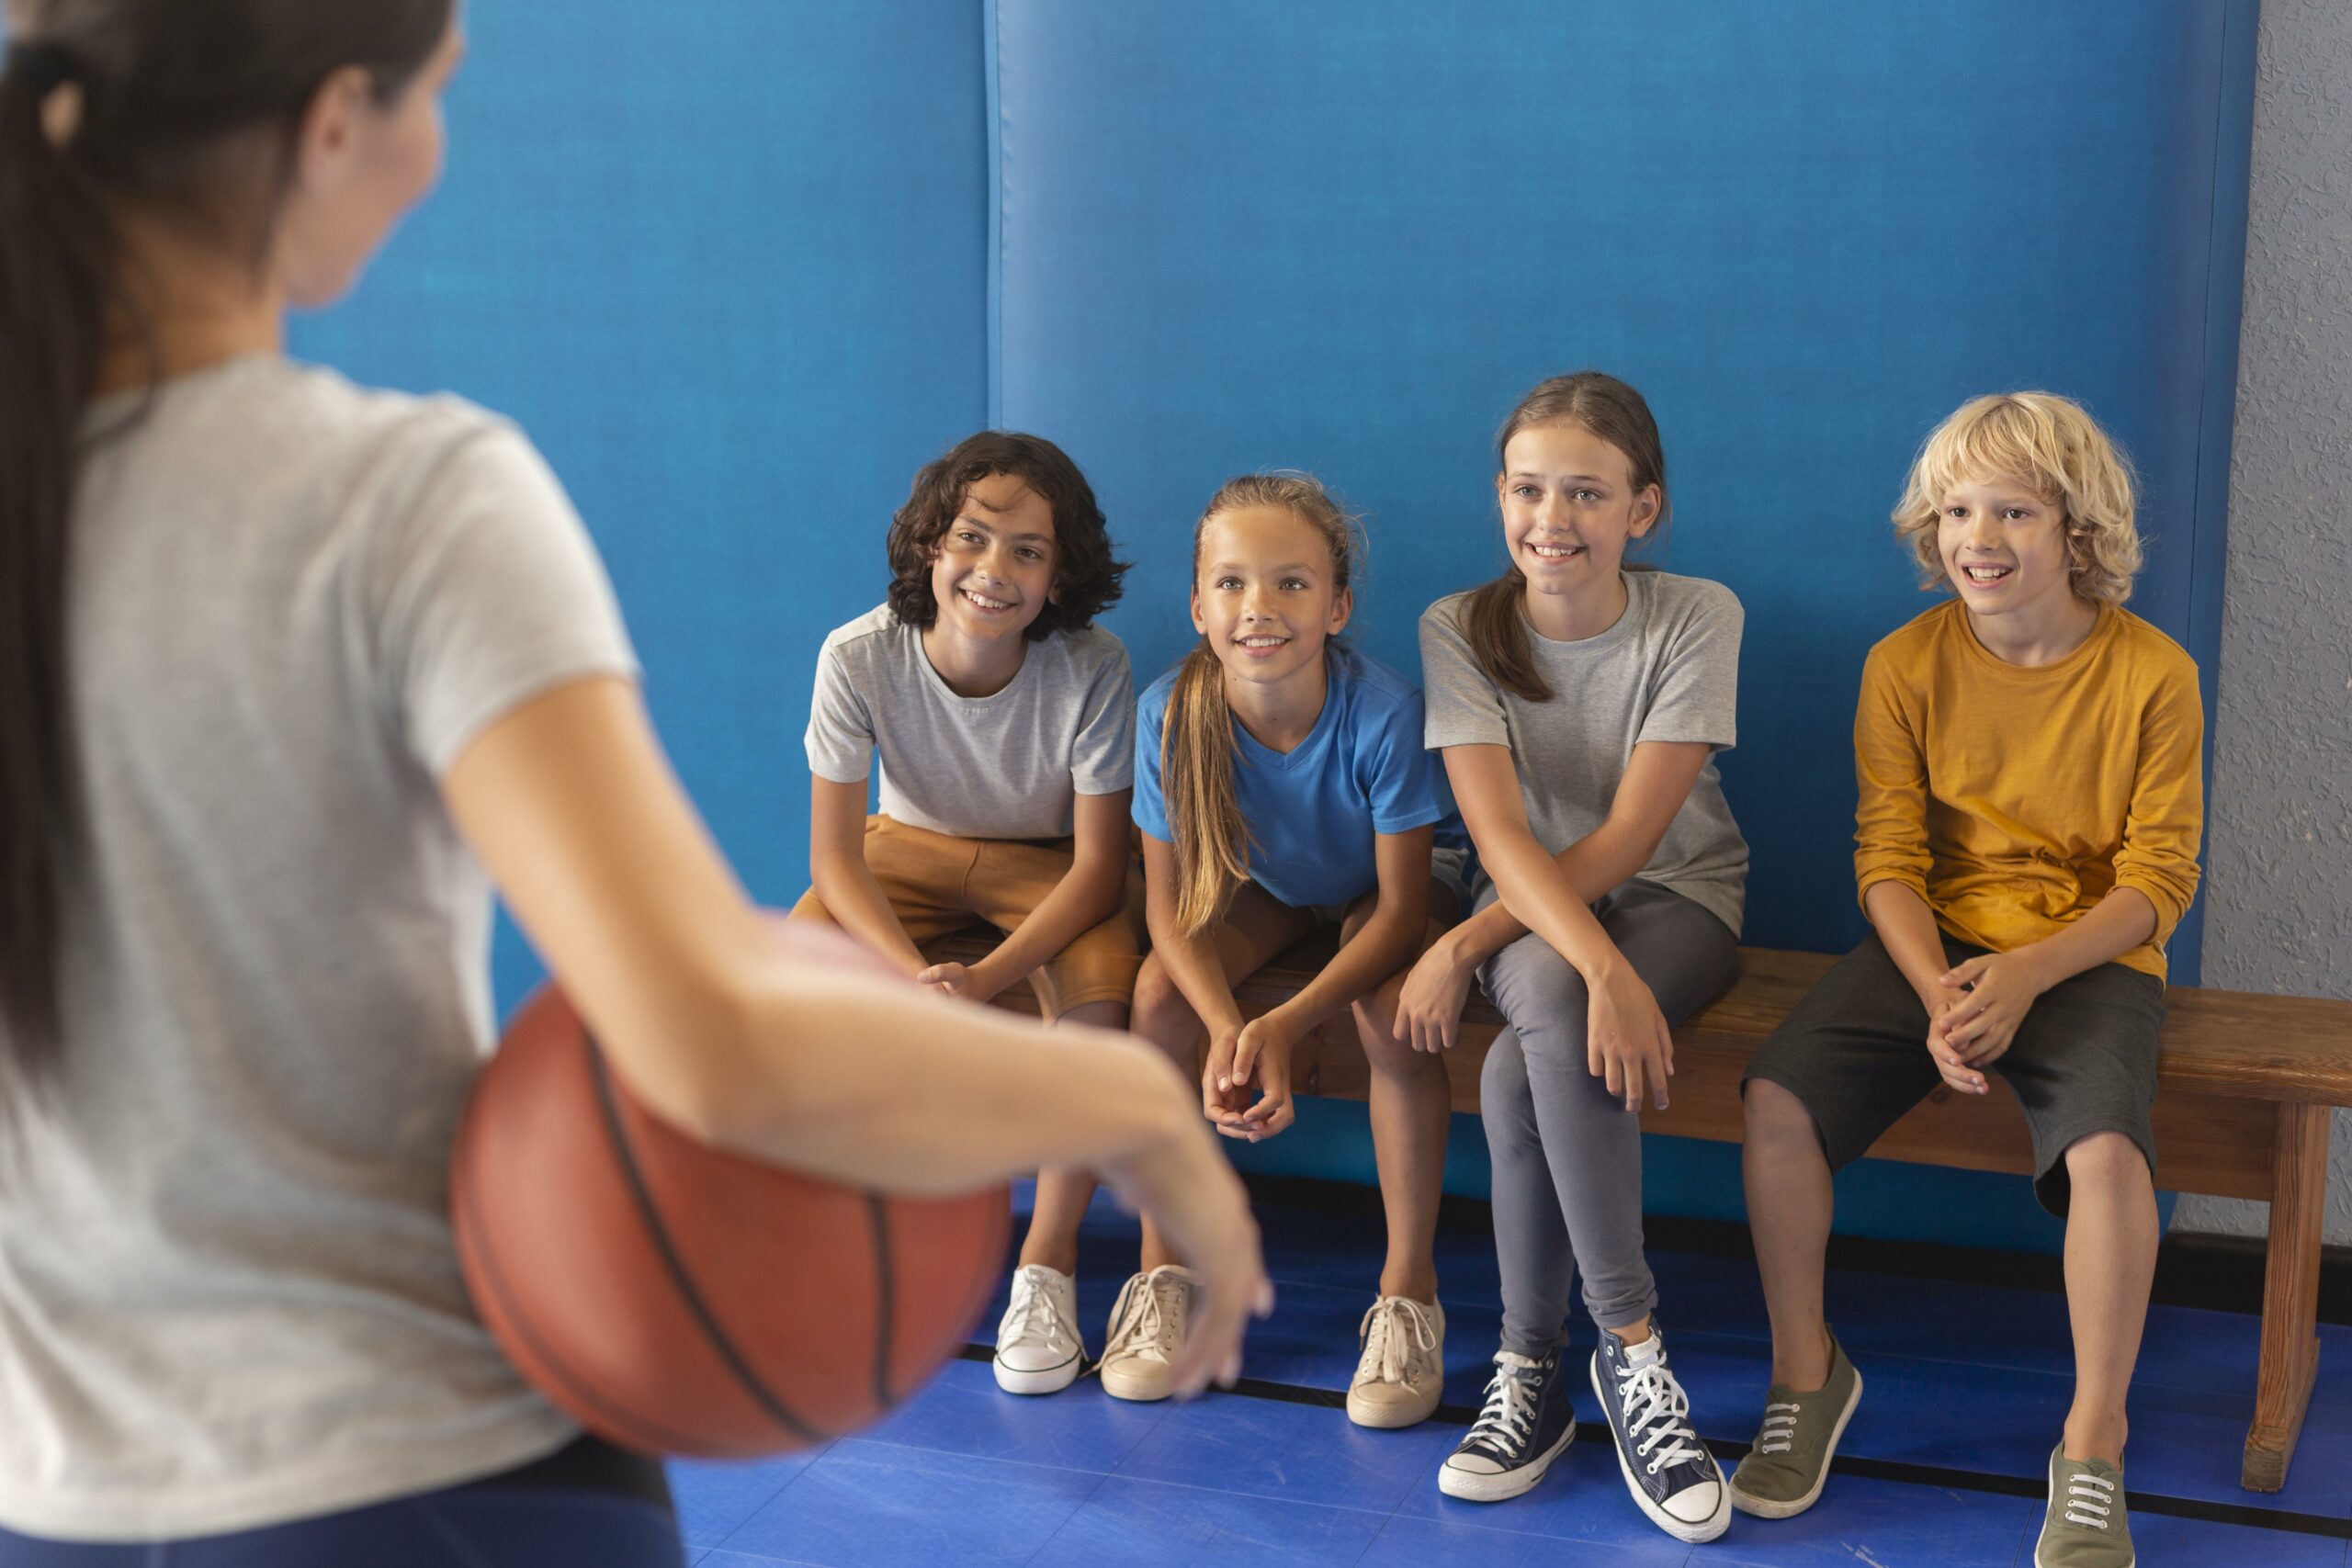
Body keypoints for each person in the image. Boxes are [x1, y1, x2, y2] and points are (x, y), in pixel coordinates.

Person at [0, 2, 1264, 1561]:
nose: (435, 147)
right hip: (417, 1466)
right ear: (334, 124)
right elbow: (712, 1039)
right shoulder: (403, 501)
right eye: (438, 95)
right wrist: (1125, 1095)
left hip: (49, 1483)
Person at [1733, 392, 2201, 1568]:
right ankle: (1808, 1375)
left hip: (2087, 956)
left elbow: (2158, 879)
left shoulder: (2154, 674)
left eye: (2012, 511)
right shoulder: (1904, 663)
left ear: (2076, 530)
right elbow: (1886, 857)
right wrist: (1944, 990)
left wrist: (2027, 976)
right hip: (1933, 947)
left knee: (2105, 1154)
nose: (1976, 538)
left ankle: (2091, 1445)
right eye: (1955, 511)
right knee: (1774, 1100)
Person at [1411, 373, 1744, 1545]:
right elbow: (1500, 835)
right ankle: (1620, 1353)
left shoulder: (1698, 614)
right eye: (1528, 488)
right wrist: (1582, 965)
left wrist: (1480, 944)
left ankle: (1555, 1365)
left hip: (1680, 902)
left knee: (1519, 1058)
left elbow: (1630, 841)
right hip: (1530, 914)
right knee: (1533, 1029)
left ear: (1640, 510)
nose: (1551, 519)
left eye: (1586, 494)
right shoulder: (1458, 626)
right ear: (1499, 496)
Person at [791, 428, 1149, 1399]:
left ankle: (1047, 1264)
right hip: (902, 854)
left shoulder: (1093, 665)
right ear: (927, 548)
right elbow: (835, 856)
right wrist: (913, 980)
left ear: (1059, 574)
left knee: (1099, 1008)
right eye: (973, 539)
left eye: (1028, 551)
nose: (994, 571)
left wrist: (983, 982)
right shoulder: (859, 654)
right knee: (793, 979)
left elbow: (1097, 868)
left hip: (1049, 868)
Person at [1115, 473, 1468, 1427]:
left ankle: (1407, 1295)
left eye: (1291, 584)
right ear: (1196, 606)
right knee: (1157, 1001)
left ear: (1338, 606)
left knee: (1387, 1014)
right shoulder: (1164, 716)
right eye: (1230, 584)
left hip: (1383, 892)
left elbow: (1397, 911)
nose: (1257, 609)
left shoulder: (1383, 710)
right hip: (1266, 893)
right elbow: (1168, 912)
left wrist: (1285, 1020)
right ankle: (1162, 1273)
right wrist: (1232, 1028)